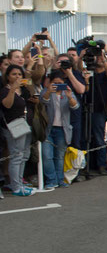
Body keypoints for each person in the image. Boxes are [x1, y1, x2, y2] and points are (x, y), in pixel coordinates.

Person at [40, 70, 80, 188]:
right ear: (50, 82)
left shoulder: (67, 92)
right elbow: (43, 101)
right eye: (55, 83)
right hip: (48, 129)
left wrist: (69, 96)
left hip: (63, 129)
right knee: (47, 156)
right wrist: (48, 91)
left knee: (59, 156)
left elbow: (75, 106)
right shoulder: (46, 91)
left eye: (60, 83)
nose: (57, 85)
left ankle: (60, 180)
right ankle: (51, 180)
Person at [0, 65, 36, 196]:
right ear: (8, 76)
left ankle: (20, 183)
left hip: (26, 124)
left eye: (19, 74)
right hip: (13, 126)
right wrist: (13, 89)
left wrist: (28, 80)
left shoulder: (24, 89)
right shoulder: (5, 90)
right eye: (14, 74)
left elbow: (32, 93)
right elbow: (7, 105)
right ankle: (16, 187)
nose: (17, 77)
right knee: (16, 156)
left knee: (24, 155)